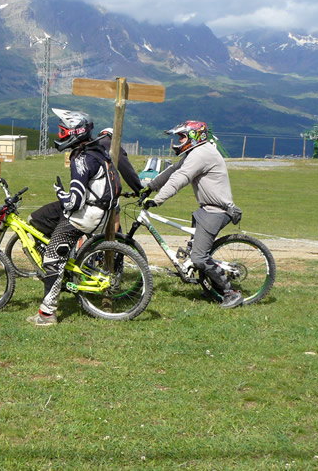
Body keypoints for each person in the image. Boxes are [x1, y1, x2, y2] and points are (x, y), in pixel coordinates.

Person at [27, 109, 119, 326]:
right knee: (36, 219)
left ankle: (47, 314)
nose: (59, 136)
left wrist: (60, 193)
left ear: (74, 132)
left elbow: (74, 202)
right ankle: (64, 259)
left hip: (85, 214)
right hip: (99, 209)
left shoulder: (81, 159)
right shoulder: (96, 150)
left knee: (51, 259)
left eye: (62, 131)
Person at [140, 120, 243, 309]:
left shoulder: (202, 154)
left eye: (182, 137)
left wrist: (158, 199)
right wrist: (150, 188)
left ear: (195, 137)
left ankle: (230, 292)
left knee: (199, 258)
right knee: (195, 252)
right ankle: (211, 285)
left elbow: (181, 178)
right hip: (206, 209)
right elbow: (173, 170)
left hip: (216, 211)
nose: (178, 141)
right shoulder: (196, 152)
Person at [27, 126, 142, 238]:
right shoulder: (110, 145)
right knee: (114, 218)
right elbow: (126, 169)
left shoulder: (93, 145)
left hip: (89, 196)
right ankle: (110, 248)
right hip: (104, 198)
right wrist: (138, 189)